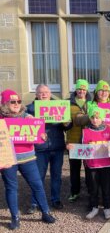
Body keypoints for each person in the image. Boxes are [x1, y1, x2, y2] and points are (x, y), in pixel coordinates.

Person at [0, 89, 55, 230]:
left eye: (18, 101)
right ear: (5, 103)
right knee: (11, 188)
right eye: (13, 102)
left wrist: (43, 137)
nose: (17, 104)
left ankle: (45, 212)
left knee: (37, 185)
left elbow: (38, 139)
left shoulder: (28, 117)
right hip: (8, 159)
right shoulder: (1, 120)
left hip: (28, 158)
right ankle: (15, 217)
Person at [26, 84, 71, 213]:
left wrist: (67, 122)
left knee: (56, 176)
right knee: (38, 176)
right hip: (39, 149)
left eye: (46, 92)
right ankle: (35, 202)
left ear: (50, 93)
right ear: (36, 94)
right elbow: (25, 129)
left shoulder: (60, 106)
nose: (44, 95)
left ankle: (55, 199)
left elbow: (66, 127)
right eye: (41, 93)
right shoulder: (29, 109)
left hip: (56, 147)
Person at [70, 105, 110, 220]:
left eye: (98, 117)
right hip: (92, 164)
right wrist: (71, 147)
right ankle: (94, 208)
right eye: (93, 117)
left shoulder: (109, 130)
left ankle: (107, 208)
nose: (95, 120)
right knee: (93, 187)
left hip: (106, 164)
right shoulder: (85, 131)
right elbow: (80, 147)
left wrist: (109, 146)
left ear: (102, 118)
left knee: (106, 187)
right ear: (90, 118)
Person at [67, 79, 92, 202]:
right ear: (75, 89)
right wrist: (65, 124)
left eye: (83, 89)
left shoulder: (92, 103)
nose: (81, 91)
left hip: (89, 141)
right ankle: (75, 192)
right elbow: (65, 124)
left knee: (89, 168)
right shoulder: (67, 103)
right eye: (79, 88)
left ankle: (90, 191)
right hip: (74, 140)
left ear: (86, 90)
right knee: (74, 169)